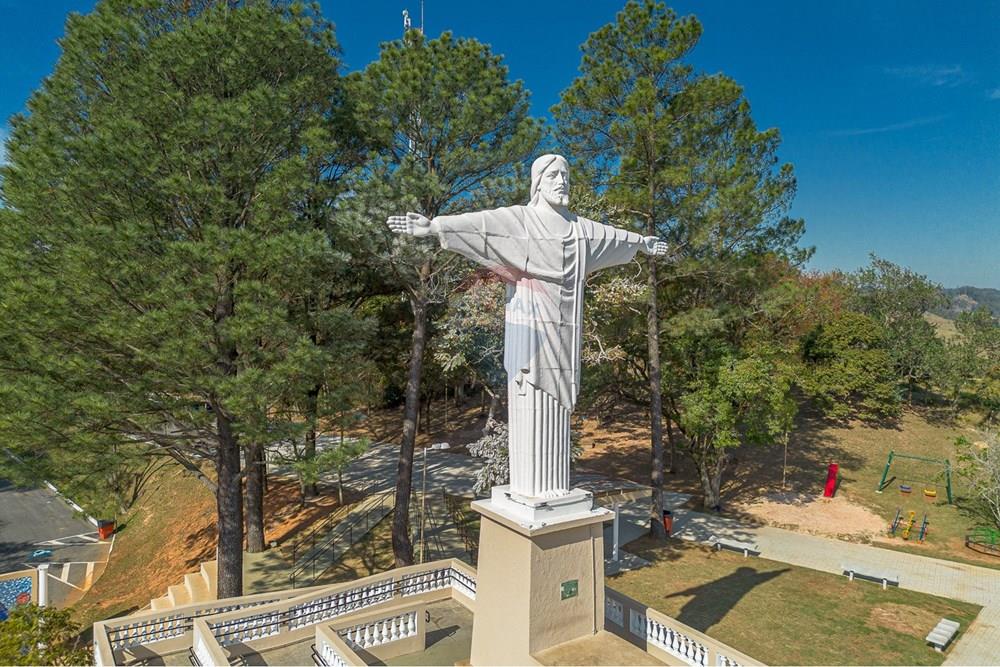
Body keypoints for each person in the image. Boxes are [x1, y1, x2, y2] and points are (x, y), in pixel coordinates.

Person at [388, 154, 667, 498]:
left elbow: (613, 238)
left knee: (558, 406)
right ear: (537, 183)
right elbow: (482, 225)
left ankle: (553, 488)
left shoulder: (581, 231)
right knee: (530, 395)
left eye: (565, 175)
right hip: (529, 329)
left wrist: (642, 243)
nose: (562, 181)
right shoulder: (521, 221)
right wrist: (435, 227)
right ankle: (532, 488)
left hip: (565, 336)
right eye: (553, 176)